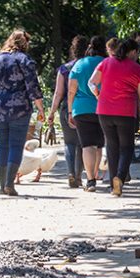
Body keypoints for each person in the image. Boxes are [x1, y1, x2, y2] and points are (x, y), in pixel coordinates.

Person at [0, 29, 45, 196]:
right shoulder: (25, 60)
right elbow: (33, 87)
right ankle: (9, 184)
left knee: (3, 145)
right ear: (25, 43)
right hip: (19, 108)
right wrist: (40, 108)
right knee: (16, 144)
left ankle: (2, 186)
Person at [88, 38, 140, 197]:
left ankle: (113, 185)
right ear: (132, 52)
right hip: (125, 112)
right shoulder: (137, 68)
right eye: (137, 52)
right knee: (126, 147)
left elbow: (91, 83)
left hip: (104, 111)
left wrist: (98, 94)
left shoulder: (105, 63)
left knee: (111, 146)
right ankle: (120, 177)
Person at [66, 36, 107, 192]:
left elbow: (71, 91)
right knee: (98, 145)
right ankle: (95, 174)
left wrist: (70, 111)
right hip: (103, 108)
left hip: (81, 109)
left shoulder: (79, 64)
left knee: (87, 145)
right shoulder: (106, 63)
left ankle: (90, 180)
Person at [47, 36, 87, 188]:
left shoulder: (64, 69)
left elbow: (58, 93)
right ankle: (78, 175)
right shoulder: (90, 67)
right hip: (85, 108)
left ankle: (70, 173)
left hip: (66, 108)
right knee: (83, 144)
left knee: (69, 142)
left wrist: (51, 113)